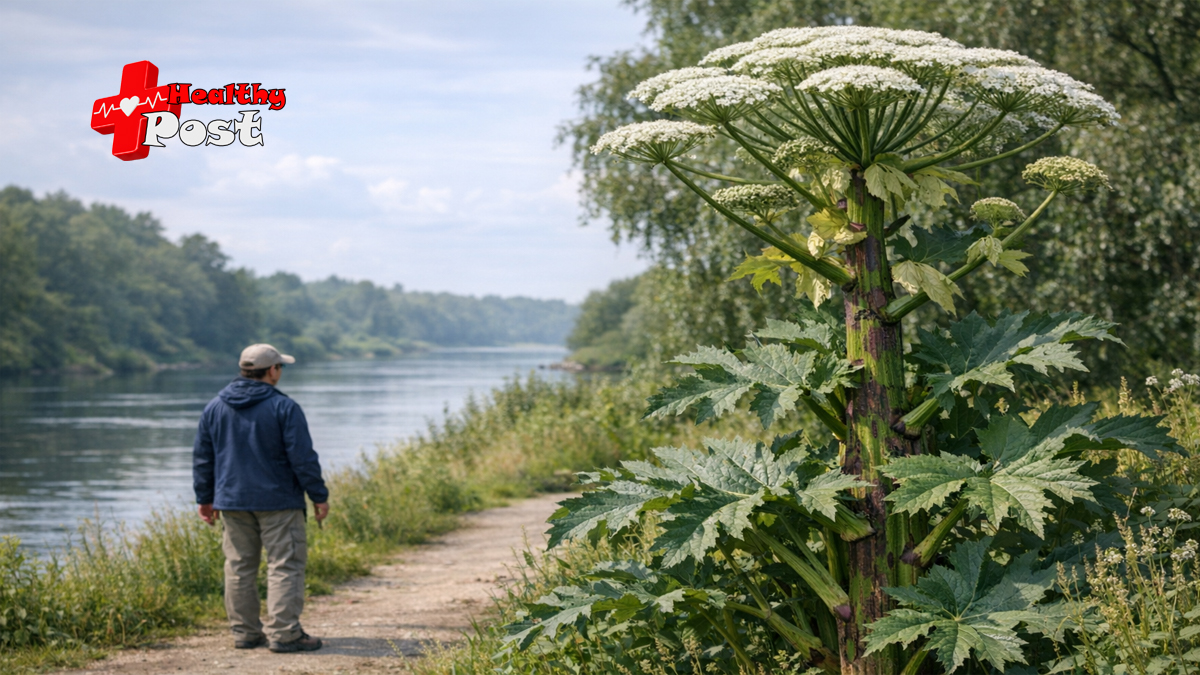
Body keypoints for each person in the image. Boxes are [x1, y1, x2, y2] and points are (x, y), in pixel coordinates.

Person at [193, 343, 330, 653]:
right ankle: (285, 635)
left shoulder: (214, 406)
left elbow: (203, 457)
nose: (280, 372)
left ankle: (246, 633)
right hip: (279, 501)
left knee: (239, 567)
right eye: (280, 367)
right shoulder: (285, 407)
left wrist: (205, 498)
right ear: (272, 371)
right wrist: (318, 495)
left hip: (231, 501)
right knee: (284, 565)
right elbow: (303, 458)